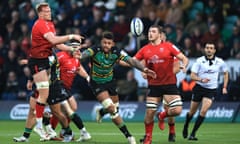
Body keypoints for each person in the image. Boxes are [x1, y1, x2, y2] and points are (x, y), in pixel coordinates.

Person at [79, 31, 156, 144]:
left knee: (116, 109)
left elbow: (132, 61)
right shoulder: (94, 50)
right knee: (112, 109)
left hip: (110, 82)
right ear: (101, 42)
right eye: (104, 42)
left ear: (113, 44)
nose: (106, 45)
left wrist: (144, 69)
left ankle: (101, 112)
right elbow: (84, 55)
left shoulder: (117, 52)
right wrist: (78, 55)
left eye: (109, 43)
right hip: (97, 83)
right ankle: (129, 137)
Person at [13, 43, 91, 142]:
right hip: (43, 86)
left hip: (54, 87)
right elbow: (37, 67)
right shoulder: (54, 55)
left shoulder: (56, 56)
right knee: (32, 111)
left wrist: (87, 77)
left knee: (58, 112)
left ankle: (64, 131)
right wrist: (30, 79)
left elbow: (42, 67)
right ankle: (26, 136)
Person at [27, 2, 84, 138]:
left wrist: (72, 49)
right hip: (38, 62)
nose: (49, 13)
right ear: (40, 14)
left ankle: (43, 125)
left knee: (46, 98)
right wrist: (71, 36)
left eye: (49, 10)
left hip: (45, 63)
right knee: (43, 95)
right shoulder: (40, 24)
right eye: (46, 11)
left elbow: (56, 43)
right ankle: (40, 126)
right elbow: (53, 40)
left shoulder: (49, 24)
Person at [134, 25, 189, 144]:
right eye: (149, 31)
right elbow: (137, 63)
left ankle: (165, 119)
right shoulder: (145, 49)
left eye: (153, 31)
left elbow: (180, 62)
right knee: (149, 112)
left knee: (176, 110)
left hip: (169, 84)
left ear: (160, 35)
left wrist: (182, 66)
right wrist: (144, 70)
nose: (150, 33)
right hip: (154, 85)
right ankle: (148, 137)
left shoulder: (169, 47)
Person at [182, 42, 229, 141]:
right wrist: (201, 80)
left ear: (214, 50)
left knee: (203, 111)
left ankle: (193, 133)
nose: (209, 49)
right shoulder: (199, 61)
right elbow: (192, 75)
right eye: (207, 48)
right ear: (204, 49)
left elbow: (225, 73)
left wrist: (224, 87)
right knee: (192, 112)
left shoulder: (220, 61)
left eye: (211, 48)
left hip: (211, 90)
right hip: (199, 87)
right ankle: (186, 125)